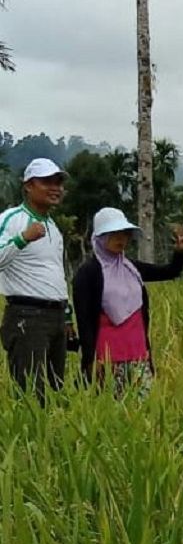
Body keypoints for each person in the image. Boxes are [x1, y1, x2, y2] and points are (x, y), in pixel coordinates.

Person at [72, 207, 183, 395]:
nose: (121, 239)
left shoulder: (130, 268)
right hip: (107, 357)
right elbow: (84, 320)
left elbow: (169, 272)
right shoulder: (88, 273)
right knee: (110, 411)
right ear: (100, 237)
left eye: (125, 234)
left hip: (138, 354)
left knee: (141, 411)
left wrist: (179, 252)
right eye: (114, 234)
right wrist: (90, 360)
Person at [0, 158, 71, 397]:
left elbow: (56, 273)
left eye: (59, 182)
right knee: (31, 394)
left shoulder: (53, 227)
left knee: (55, 391)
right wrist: (22, 239)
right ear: (28, 186)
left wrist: (67, 315)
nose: (56, 188)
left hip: (56, 317)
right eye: (47, 181)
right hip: (27, 316)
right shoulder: (12, 219)